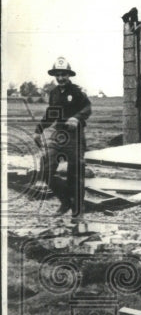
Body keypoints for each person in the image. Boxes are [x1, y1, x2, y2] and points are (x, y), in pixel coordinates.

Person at [35, 57, 91, 216]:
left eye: (63, 75)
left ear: (69, 75)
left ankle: (78, 210)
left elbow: (87, 108)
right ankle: (66, 201)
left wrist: (77, 118)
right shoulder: (53, 93)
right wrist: (38, 130)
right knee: (45, 170)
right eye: (57, 75)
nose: (60, 78)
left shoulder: (77, 91)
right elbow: (51, 114)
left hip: (75, 136)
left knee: (75, 172)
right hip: (58, 135)